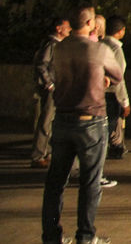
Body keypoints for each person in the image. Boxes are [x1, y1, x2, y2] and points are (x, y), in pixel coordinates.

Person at [42, 6, 122, 244]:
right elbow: (117, 76)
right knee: (90, 182)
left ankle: (51, 235)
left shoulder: (59, 48)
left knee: (56, 182)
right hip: (91, 120)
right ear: (90, 24)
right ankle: (86, 236)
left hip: (63, 118)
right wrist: (103, 78)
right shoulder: (98, 49)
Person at [31, 16, 71, 168]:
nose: (69, 30)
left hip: (56, 88)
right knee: (46, 121)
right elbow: (41, 65)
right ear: (58, 28)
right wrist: (50, 84)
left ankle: (45, 153)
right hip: (51, 89)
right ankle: (38, 155)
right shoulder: (51, 45)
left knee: (50, 121)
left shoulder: (57, 45)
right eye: (67, 27)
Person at [101, 16, 130, 159]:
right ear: (121, 30)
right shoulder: (116, 49)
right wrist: (125, 102)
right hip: (112, 94)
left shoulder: (100, 44)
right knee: (108, 126)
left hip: (98, 92)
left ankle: (116, 146)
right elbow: (118, 78)